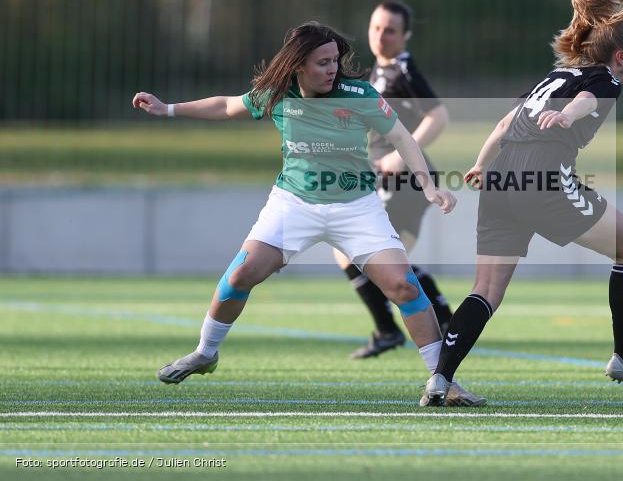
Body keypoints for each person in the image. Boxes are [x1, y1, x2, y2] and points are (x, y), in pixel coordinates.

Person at [132, 22, 484, 406]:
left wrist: (429, 186)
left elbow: (402, 137)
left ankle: (442, 381)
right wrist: (166, 108)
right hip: (293, 204)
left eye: (335, 60)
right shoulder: (277, 94)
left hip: (356, 208)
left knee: (403, 286)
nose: (333, 68)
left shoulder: (358, 93)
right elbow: (227, 105)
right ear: (299, 64)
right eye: (323, 62)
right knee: (241, 274)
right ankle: (205, 352)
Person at [420, 0, 623, 406]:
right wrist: (568, 116)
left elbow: (505, 122)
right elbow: (588, 102)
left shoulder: (552, 77)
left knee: (486, 290)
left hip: (500, 178)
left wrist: (479, 164)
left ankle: (439, 380)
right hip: (542, 178)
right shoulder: (602, 79)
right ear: (619, 56)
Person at [334, 0, 454, 360]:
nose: (381, 36)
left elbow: (438, 116)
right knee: (353, 254)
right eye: (376, 28)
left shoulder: (402, 70)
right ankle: (411, 326)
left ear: (405, 36)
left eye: (390, 30)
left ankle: (421, 327)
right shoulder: (380, 71)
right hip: (387, 182)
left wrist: (397, 156)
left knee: (374, 260)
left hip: (409, 182)